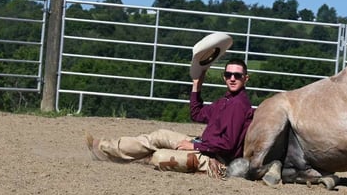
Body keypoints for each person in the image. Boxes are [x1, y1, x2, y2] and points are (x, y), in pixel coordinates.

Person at [86, 58, 254, 179]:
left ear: (245, 78)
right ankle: (105, 149)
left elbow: (228, 144)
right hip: (203, 148)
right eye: (229, 74)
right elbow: (197, 114)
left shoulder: (238, 105)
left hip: (215, 160)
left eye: (237, 75)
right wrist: (197, 86)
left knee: (159, 156)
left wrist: (195, 145)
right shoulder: (225, 101)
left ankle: (114, 153)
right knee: (159, 135)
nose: (232, 78)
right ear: (224, 77)